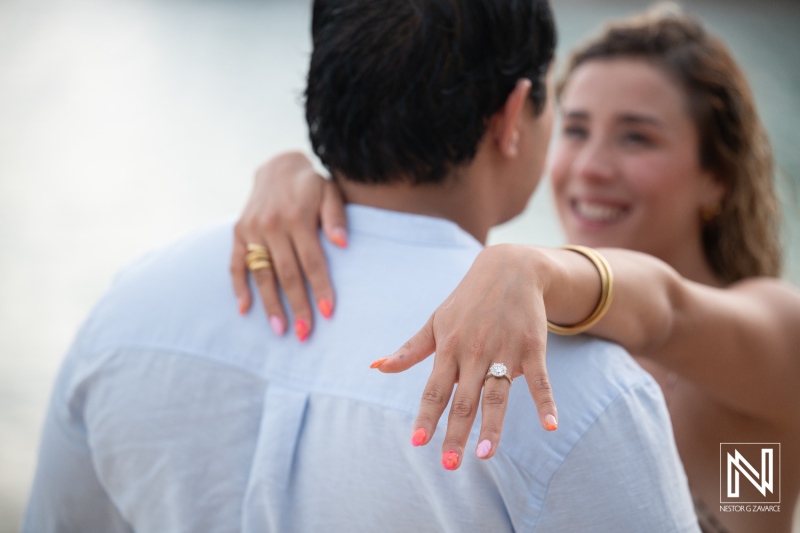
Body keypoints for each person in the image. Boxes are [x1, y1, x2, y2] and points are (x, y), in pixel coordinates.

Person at [22, 0, 699, 531]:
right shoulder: (569, 392)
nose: (587, 164)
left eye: (635, 136)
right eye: (569, 117)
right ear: (513, 115)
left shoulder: (129, 309)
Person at [230, 6, 800, 533]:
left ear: (717, 176)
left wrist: (532, 266)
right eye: (575, 129)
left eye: (636, 137)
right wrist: (298, 178)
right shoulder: (518, 311)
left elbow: (668, 310)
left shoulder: (774, 337)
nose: (590, 166)